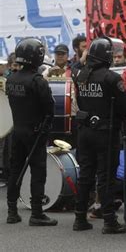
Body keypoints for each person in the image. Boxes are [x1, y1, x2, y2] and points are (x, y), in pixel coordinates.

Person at [72, 37, 126, 234]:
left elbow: (75, 68)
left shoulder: (80, 75)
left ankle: (79, 217)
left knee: (85, 175)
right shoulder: (112, 78)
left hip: (85, 131)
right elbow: (123, 107)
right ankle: (110, 221)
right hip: (106, 132)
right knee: (106, 177)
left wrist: (82, 59)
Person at [5, 37, 58, 226]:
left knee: (15, 170)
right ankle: (36, 213)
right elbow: (49, 108)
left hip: (17, 131)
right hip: (35, 132)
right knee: (38, 172)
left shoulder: (10, 79)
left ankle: (12, 211)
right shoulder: (38, 82)